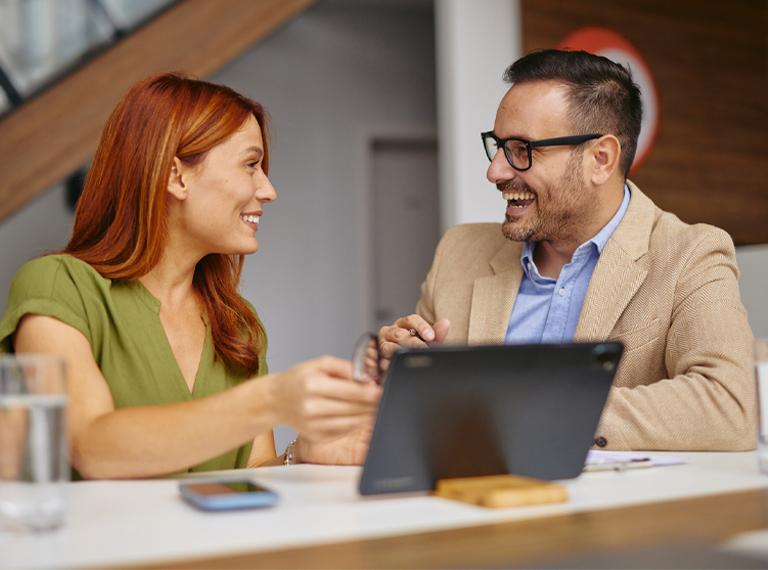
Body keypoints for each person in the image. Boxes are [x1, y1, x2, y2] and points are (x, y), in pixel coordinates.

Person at [0, 73, 381, 479]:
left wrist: (301, 453)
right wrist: (272, 399)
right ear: (176, 176)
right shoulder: (61, 287)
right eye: (250, 165)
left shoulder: (236, 324)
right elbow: (89, 446)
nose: (268, 190)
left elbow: (251, 471)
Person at [378, 49, 755, 451]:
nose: (496, 172)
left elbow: (727, 407)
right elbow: (416, 418)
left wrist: (524, 406)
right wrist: (400, 371)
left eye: (523, 149)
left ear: (600, 159)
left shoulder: (691, 255)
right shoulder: (458, 251)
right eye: (499, 145)